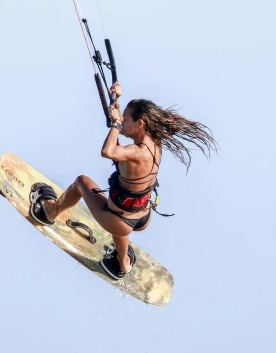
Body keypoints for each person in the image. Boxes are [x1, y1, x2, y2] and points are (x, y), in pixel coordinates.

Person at [29, 82, 218, 279]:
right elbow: (119, 153)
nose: (123, 122)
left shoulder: (136, 152)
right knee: (121, 214)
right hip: (143, 217)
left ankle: (51, 211)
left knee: (81, 182)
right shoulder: (155, 142)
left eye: (126, 120)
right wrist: (116, 101)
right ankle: (123, 261)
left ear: (140, 124)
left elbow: (108, 151)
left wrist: (117, 126)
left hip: (118, 220)